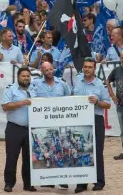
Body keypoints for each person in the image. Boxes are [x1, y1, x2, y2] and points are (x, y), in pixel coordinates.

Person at [73, 57, 111, 192]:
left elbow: (108, 104)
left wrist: (97, 102)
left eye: (89, 67)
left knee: (97, 151)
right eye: (85, 67)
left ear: (94, 69)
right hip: (80, 119)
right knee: (80, 150)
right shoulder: (78, 80)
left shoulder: (100, 84)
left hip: (96, 119)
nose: (87, 69)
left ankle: (99, 181)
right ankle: (81, 183)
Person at [32, 61, 70, 189]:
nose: (49, 71)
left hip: (59, 124)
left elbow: (70, 99)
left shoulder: (62, 84)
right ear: (41, 71)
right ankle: (47, 179)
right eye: (46, 70)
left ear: (53, 69)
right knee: (48, 155)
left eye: (50, 69)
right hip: (43, 124)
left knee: (60, 154)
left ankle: (62, 179)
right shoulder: (35, 84)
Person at [2, 68, 37, 192]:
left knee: (29, 158)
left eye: (28, 76)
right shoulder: (10, 89)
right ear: (18, 77)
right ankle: (9, 183)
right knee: (12, 157)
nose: (26, 78)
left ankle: (28, 184)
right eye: (23, 76)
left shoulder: (34, 90)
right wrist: (21, 103)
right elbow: (5, 106)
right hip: (14, 128)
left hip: (30, 129)